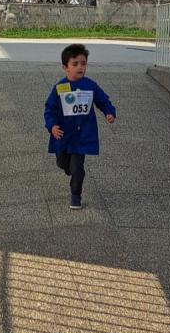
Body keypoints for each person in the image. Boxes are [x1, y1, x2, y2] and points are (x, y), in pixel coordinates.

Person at [44, 43, 116, 210]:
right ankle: (67, 167)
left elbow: (103, 100)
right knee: (62, 163)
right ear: (65, 67)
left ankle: (76, 195)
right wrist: (52, 126)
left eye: (83, 63)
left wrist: (109, 112)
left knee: (77, 167)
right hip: (63, 135)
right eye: (75, 64)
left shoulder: (90, 86)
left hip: (82, 135)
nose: (80, 67)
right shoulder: (60, 88)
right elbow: (50, 110)